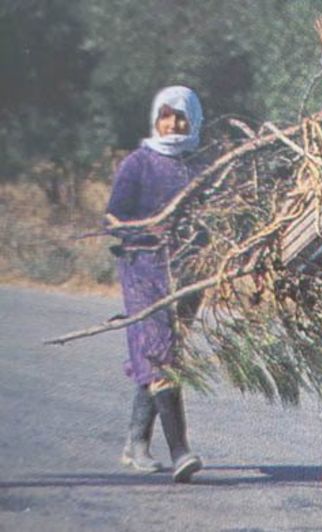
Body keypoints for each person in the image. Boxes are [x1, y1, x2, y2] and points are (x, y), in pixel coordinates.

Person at [105, 86, 205, 483]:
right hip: (143, 270)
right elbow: (113, 216)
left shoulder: (200, 165)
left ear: (192, 119)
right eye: (166, 116)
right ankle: (180, 451)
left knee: (163, 354)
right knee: (161, 354)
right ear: (155, 119)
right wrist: (141, 228)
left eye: (180, 117)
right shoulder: (138, 163)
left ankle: (136, 443)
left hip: (188, 274)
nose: (173, 124)